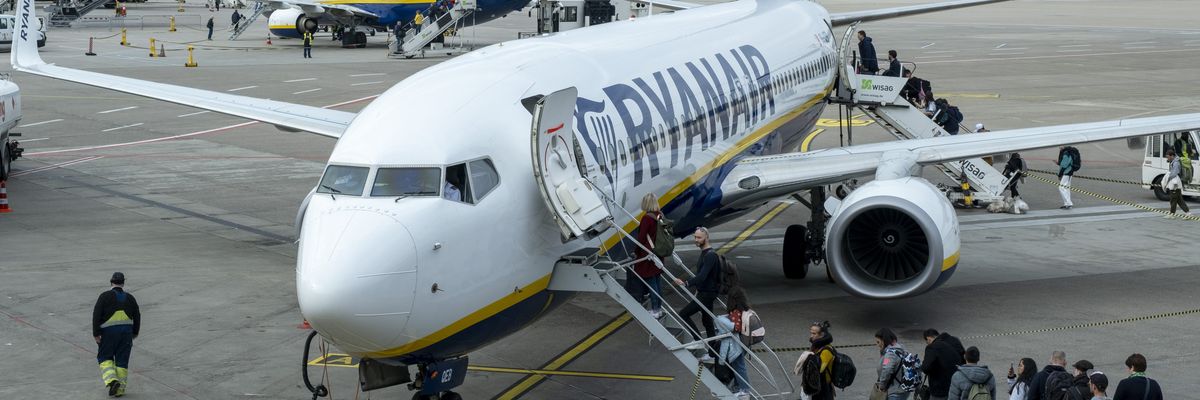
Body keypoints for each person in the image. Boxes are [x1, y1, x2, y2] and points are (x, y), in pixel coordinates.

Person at [673, 227, 722, 362]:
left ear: (706, 238)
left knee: (684, 314)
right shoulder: (705, 253)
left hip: (707, 293)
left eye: (699, 237)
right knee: (707, 322)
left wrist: (686, 283)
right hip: (705, 292)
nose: (696, 240)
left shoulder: (710, 255)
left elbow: (702, 276)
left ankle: (697, 340)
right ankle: (712, 354)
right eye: (695, 237)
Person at [93, 272, 141, 397]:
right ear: (123, 283)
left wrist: (96, 333)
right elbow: (137, 316)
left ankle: (112, 380)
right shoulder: (130, 298)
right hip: (126, 334)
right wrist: (135, 332)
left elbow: (96, 315)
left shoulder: (104, 296)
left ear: (111, 282)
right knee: (122, 361)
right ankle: (119, 390)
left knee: (105, 357)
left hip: (108, 334)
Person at [632, 193, 665, 318]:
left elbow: (641, 238)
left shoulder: (647, 218)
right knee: (657, 280)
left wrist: (636, 252)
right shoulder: (660, 215)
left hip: (648, 255)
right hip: (658, 252)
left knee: (651, 282)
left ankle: (655, 309)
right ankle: (659, 308)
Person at [717, 287, 752, 397]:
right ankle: (739, 386)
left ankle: (745, 390)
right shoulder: (745, 309)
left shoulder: (736, 312)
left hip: (738, 343)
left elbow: (736, 328)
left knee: (739, 366)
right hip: (746, 341)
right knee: (738, 366)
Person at [922, 329, 966, 400]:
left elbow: (925, 368)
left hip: (940, 389)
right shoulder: (954, 341)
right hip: (957, 384)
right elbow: (963, 359)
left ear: (928, 338)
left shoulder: (932, 347)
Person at [874, 328, 912, 400]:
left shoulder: (890, 354)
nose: (877, 345)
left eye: (878, 342)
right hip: (903, 389)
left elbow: (887, 370)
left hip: (895, 392)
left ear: (884, 340)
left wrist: (882, 386)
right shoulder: (900, 348)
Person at [807, 321, 836, 400]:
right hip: (817, 385)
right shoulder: (817, 346)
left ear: (822, 335)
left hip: (824, 388)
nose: (811, 336)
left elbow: (819, 369)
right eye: (811, 333)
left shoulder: (826, 350)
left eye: (814, 334)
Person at [1165, 149, 1191, 217]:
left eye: (1168, 157)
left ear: (1172, 156)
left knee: (1173, 199)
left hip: (1175, 183)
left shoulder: (1176, 163)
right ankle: (1187, 212)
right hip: (1176, 182)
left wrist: (1168, 178)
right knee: (1179, 199)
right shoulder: (1174, 161)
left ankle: (1172, 214)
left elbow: (1174, 173)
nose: (1167, 158)